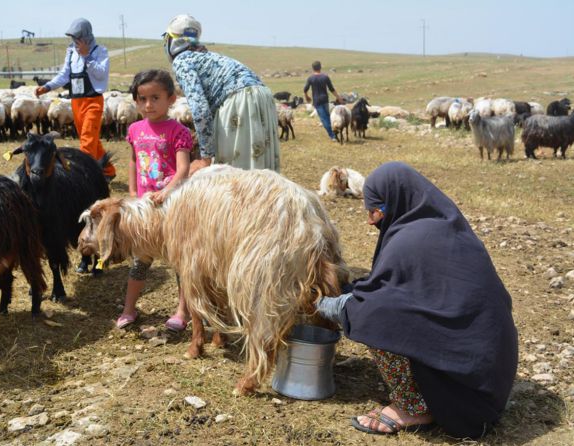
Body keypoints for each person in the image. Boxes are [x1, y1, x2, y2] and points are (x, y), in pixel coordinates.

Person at [316, 161, 518, 438]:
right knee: (375, 304)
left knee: (371, 315)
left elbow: (376, 301)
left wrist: (325, 304)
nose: (370, 220)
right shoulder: (442, 225)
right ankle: (428, 391)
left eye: (376, 210)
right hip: (488, 379)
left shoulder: (409, 240)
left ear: (395, 201)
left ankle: (413, 408)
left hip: (469, 401)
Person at [116, 69, 192, 331]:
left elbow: (183, 169)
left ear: (171, 99)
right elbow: (134, 161)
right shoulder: (135, 129)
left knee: (179, 260)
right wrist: (133, 193)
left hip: (170, 205)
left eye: (155, 98)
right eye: (142, 99)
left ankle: (182, 311)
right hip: (145, 207)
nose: (148, 105)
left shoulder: (178, 131)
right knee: (140, 259)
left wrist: (168, 190)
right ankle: (129, 309)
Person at [163, 14, 280, 175]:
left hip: (239, 101)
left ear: (172, 40)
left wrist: (206, 156)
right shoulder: (208, 57)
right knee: (260, 167)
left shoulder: (182, 61)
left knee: (235, 173)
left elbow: (200, 109)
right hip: (263, 97)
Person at [35, 18, 116, 182]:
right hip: (76, 102)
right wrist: (48, 86)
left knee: (87, 138)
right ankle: (107, 170)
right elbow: (65, 75)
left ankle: (83, 175)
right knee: (90, 138)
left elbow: (101, 73)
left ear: (86, 35)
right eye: (73, 38)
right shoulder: (71, 52)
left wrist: (87, 56)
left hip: (93, 100)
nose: (75, 41)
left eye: (78, 37)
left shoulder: (100, 51)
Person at [303, 61, 344, 141]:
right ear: (320, 67)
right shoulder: (325, 77)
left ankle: (333, 136)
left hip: (317, 101)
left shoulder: (310, 78)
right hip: (325, 99)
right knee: (328, 117)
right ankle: (334, 131)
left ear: (313, 68)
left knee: (324, 119)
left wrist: (306, 96)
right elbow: (331, 89)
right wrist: (339, 98)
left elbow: (305, 89)